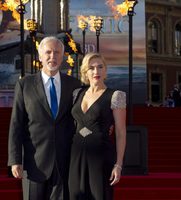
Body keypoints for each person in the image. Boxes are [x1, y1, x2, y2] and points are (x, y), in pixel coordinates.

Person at [8, 36, 80, 200]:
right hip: (34, 164)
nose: (52, 56)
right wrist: (15, 159)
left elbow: (81, 118)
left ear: (62, 57)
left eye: (56, 52)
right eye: (48, 52)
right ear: (40, 56)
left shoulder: (74, 85)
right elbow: (16, 124)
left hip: (65, 163)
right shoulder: (25, 84)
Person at [68, 52, 127, 200]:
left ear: (105, 70)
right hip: (75, 156)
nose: (96, 71)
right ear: (85, 72)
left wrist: (118, 165)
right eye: (91, 68)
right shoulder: (77, 93)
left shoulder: (116, 95)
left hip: (101, 157)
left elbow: (120, 132)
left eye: (100, 67)